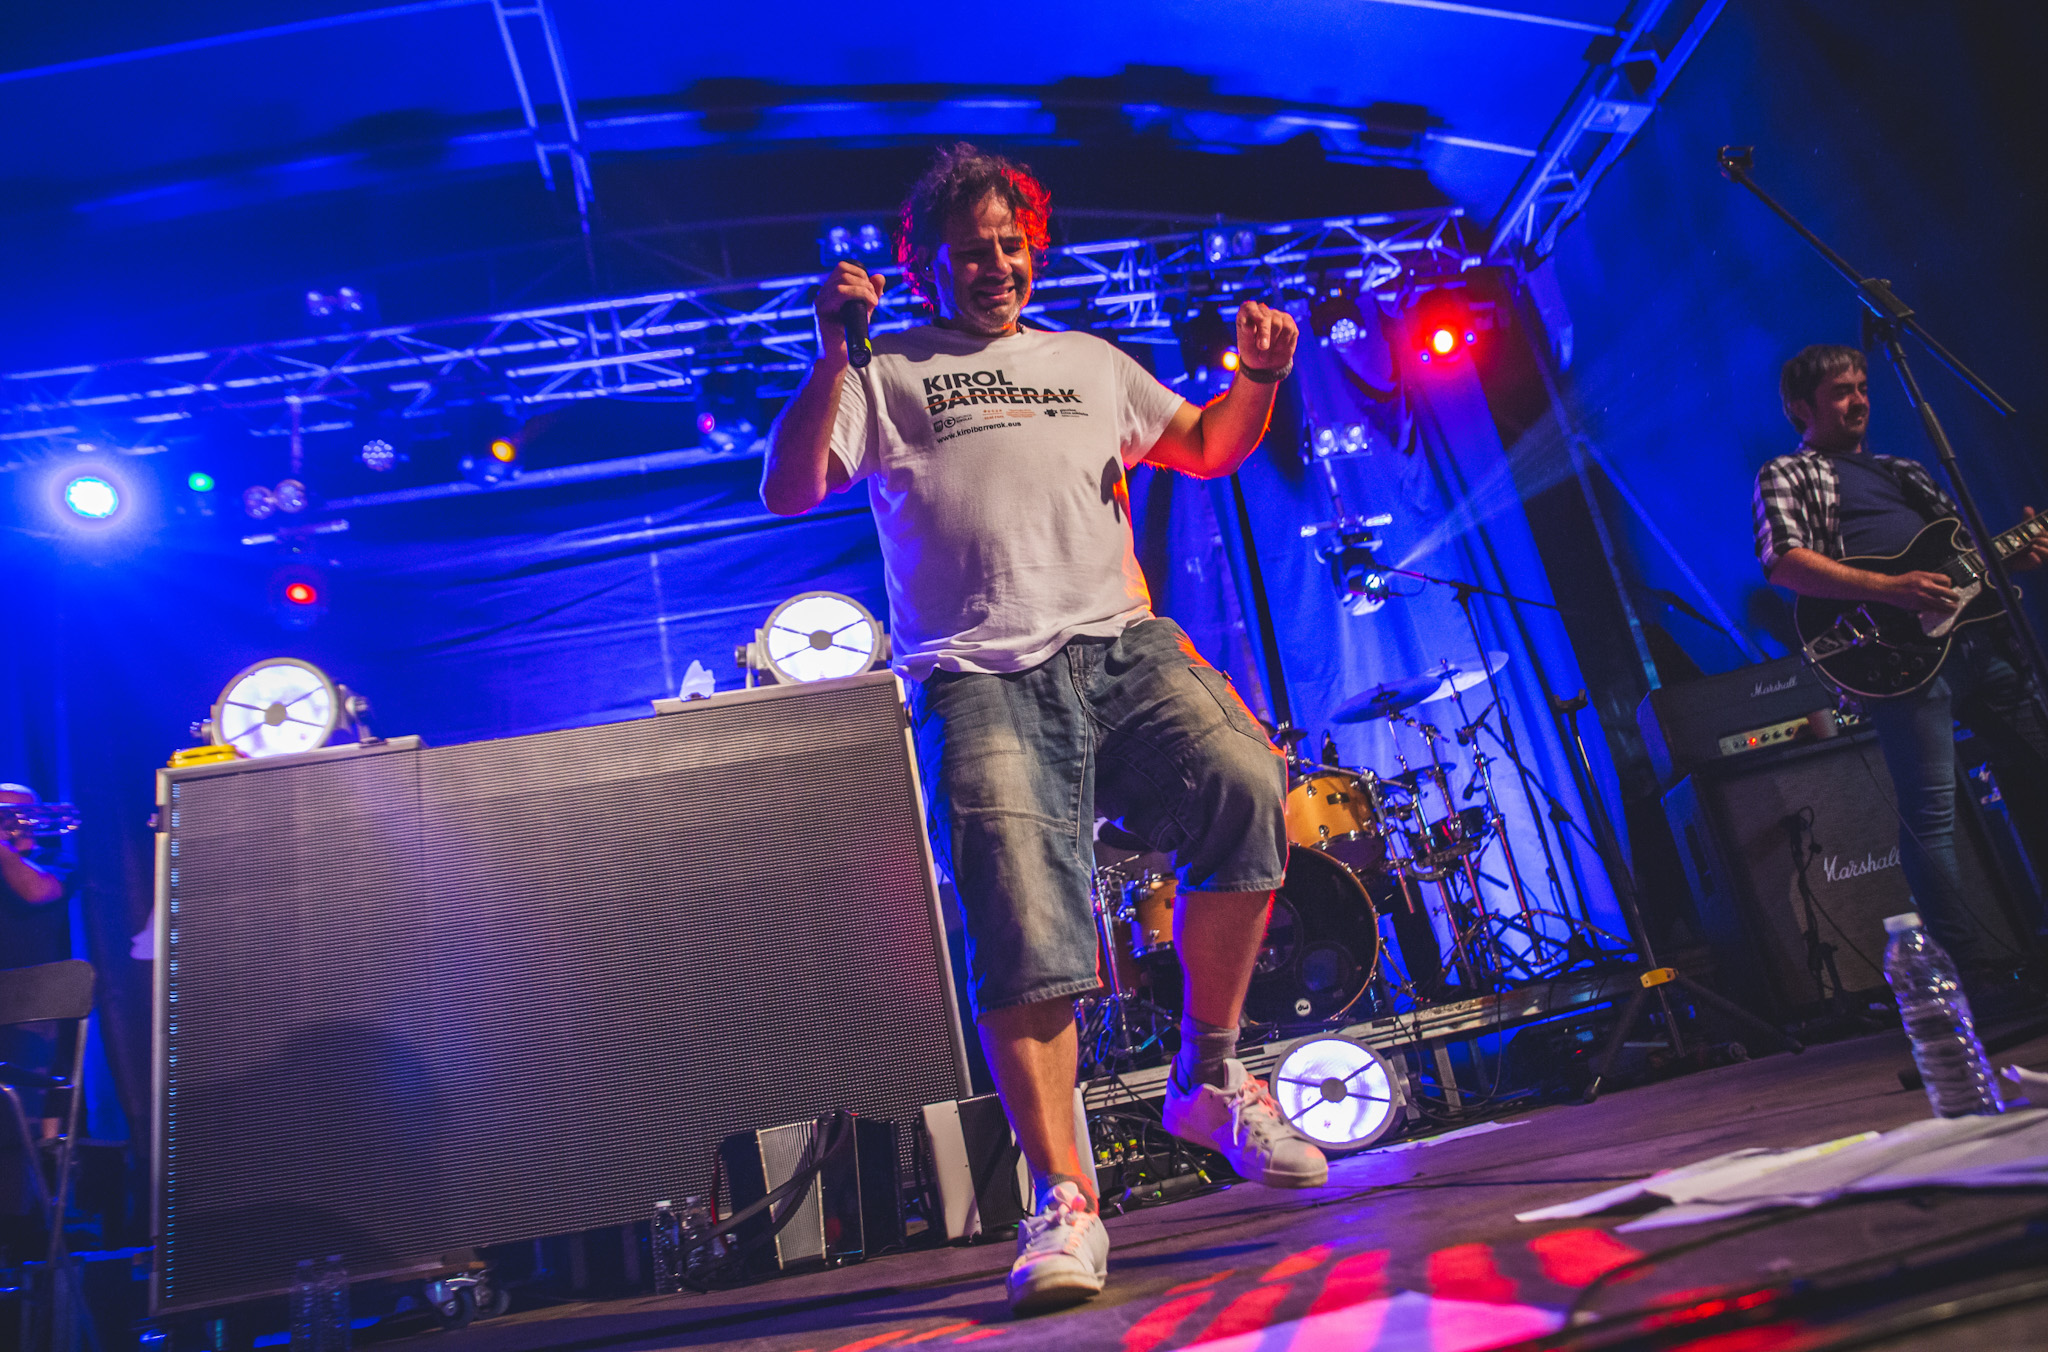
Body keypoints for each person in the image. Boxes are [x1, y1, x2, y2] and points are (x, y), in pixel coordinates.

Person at [762, 143, 1324, 1317]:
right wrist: (829, 353)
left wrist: (1262, 379)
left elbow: (1207, 448)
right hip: (978, 677)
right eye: (972, 251)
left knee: (1243, 780)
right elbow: (791, 486)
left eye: (1013, 246)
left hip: (1119, 646)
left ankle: (1209, 1075)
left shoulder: (1086, 360)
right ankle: (1064, 1196)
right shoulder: (886, 369)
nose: (998, 266)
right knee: (1020, 918)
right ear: (926, 266)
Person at [1753, 344, 2048, 1003]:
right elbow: (1784, 562)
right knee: (1932, 813)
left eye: (1862, 386)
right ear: (1800, 407)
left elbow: (1965, 562)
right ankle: (1969, 975)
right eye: (1841, 391)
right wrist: (1891, 588)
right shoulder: (1789, 472)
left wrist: (2014, 559)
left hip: (1980, 646)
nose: (1858, 400)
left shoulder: (1904, 470)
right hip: (1895, 655)